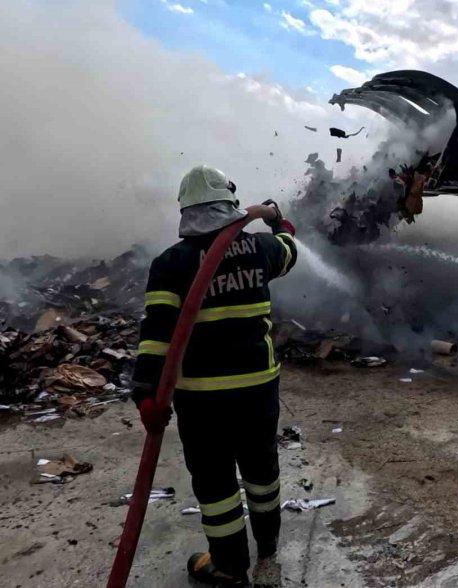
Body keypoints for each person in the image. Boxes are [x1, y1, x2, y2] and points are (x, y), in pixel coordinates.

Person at [132, 165, 298, 587]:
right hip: (258, 391)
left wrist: (146, 395)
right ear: (230, 202)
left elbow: (156, 336)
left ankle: (228, 565)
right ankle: (269, 541)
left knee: (215, 482)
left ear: (186, 211)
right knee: (262, 469)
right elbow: (289, 250)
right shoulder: (259, 249)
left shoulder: (171, 263)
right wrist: (278, 220)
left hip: (202, 399)